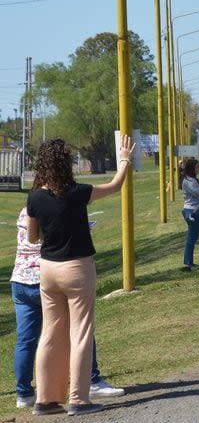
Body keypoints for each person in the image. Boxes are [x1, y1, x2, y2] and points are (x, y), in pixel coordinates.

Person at [26, 135, 134, 416]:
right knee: (81, 332)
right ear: (65, 164)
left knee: (50, 333)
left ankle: (45, 399)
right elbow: (115, 185)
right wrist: (123, 160)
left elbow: (32, 237)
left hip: (48, 270)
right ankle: (78, 399)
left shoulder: (34, 197)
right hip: (77, 268)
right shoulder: (77, 192)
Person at [11, 207, 124, 409]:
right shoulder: (56, 210)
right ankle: (91, 380)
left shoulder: (26, 210)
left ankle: (24, 393)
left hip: (20, 280)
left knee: (26, 340)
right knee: (80, 327)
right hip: (46, 277)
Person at [181, 158, 199, 271]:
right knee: (192, 237)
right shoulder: (188, 181)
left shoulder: (193, 179)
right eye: (197, 167)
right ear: (192, 168)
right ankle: (188, 263)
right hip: (193, 211)